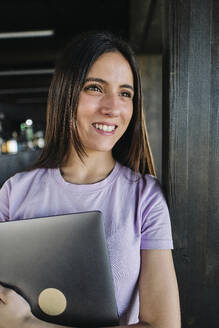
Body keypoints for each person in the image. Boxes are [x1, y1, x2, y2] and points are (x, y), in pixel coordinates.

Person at [0, 31, 181, 328]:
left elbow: (165, 325)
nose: (113, 108)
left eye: (125, 93)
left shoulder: (144, 198)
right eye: (95, 88)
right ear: (65, 94)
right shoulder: (14, 192)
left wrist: (25, 323)